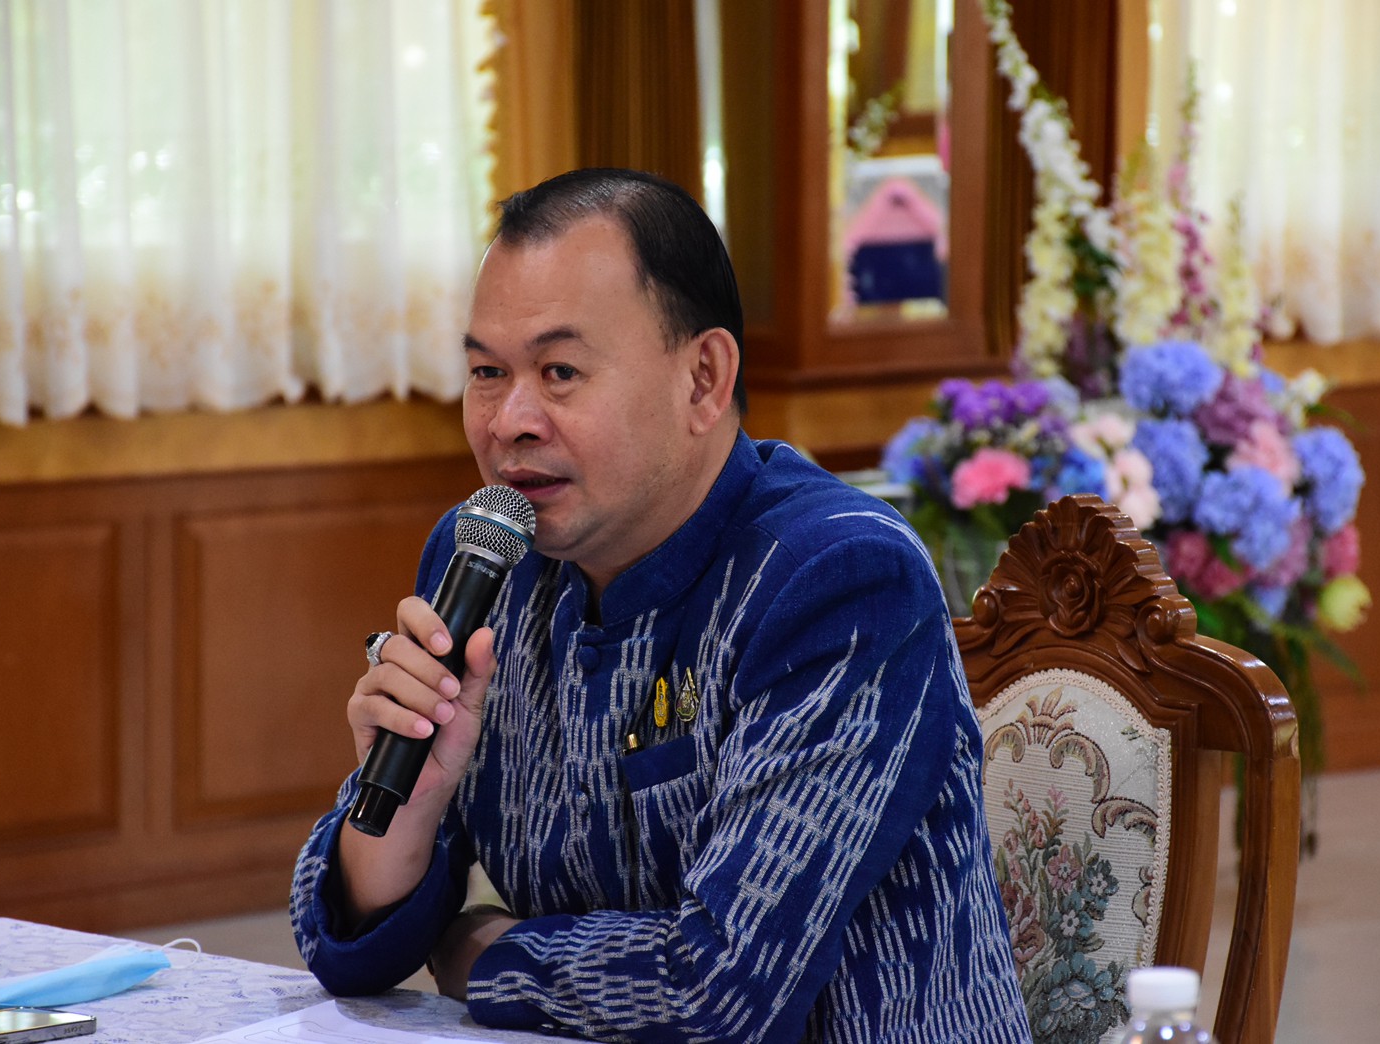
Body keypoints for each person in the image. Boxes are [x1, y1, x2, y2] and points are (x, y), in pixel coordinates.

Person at [290, 168, 1032, 1043]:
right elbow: (351, 957)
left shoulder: (840, 580)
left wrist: (483, 953)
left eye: (559, 371)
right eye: (487, 371)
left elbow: (721, 990)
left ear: (703, 380)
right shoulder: (487, 556)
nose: (508, 419)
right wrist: (409, 806)